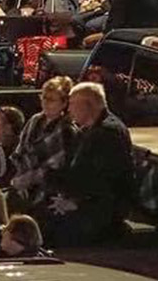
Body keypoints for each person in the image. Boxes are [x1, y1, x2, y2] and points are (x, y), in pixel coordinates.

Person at [43, 82, 132, 247]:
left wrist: (76, 203)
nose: (68, 110)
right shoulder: (88, 131)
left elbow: (105, 181)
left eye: (72, 104)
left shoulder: (108, 133)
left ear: (87, 105)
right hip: (81, 206)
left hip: (98, 218)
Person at [9, 76, 75, 212]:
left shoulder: (66, 130)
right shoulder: (35, 120)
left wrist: (30, 178)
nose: (45, 102)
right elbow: (20, 152)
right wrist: (20, 177)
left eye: (51, 99)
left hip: (49, 191)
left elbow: (56, 167)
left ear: (64, 103)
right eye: (43, 97)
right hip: (21, 181)